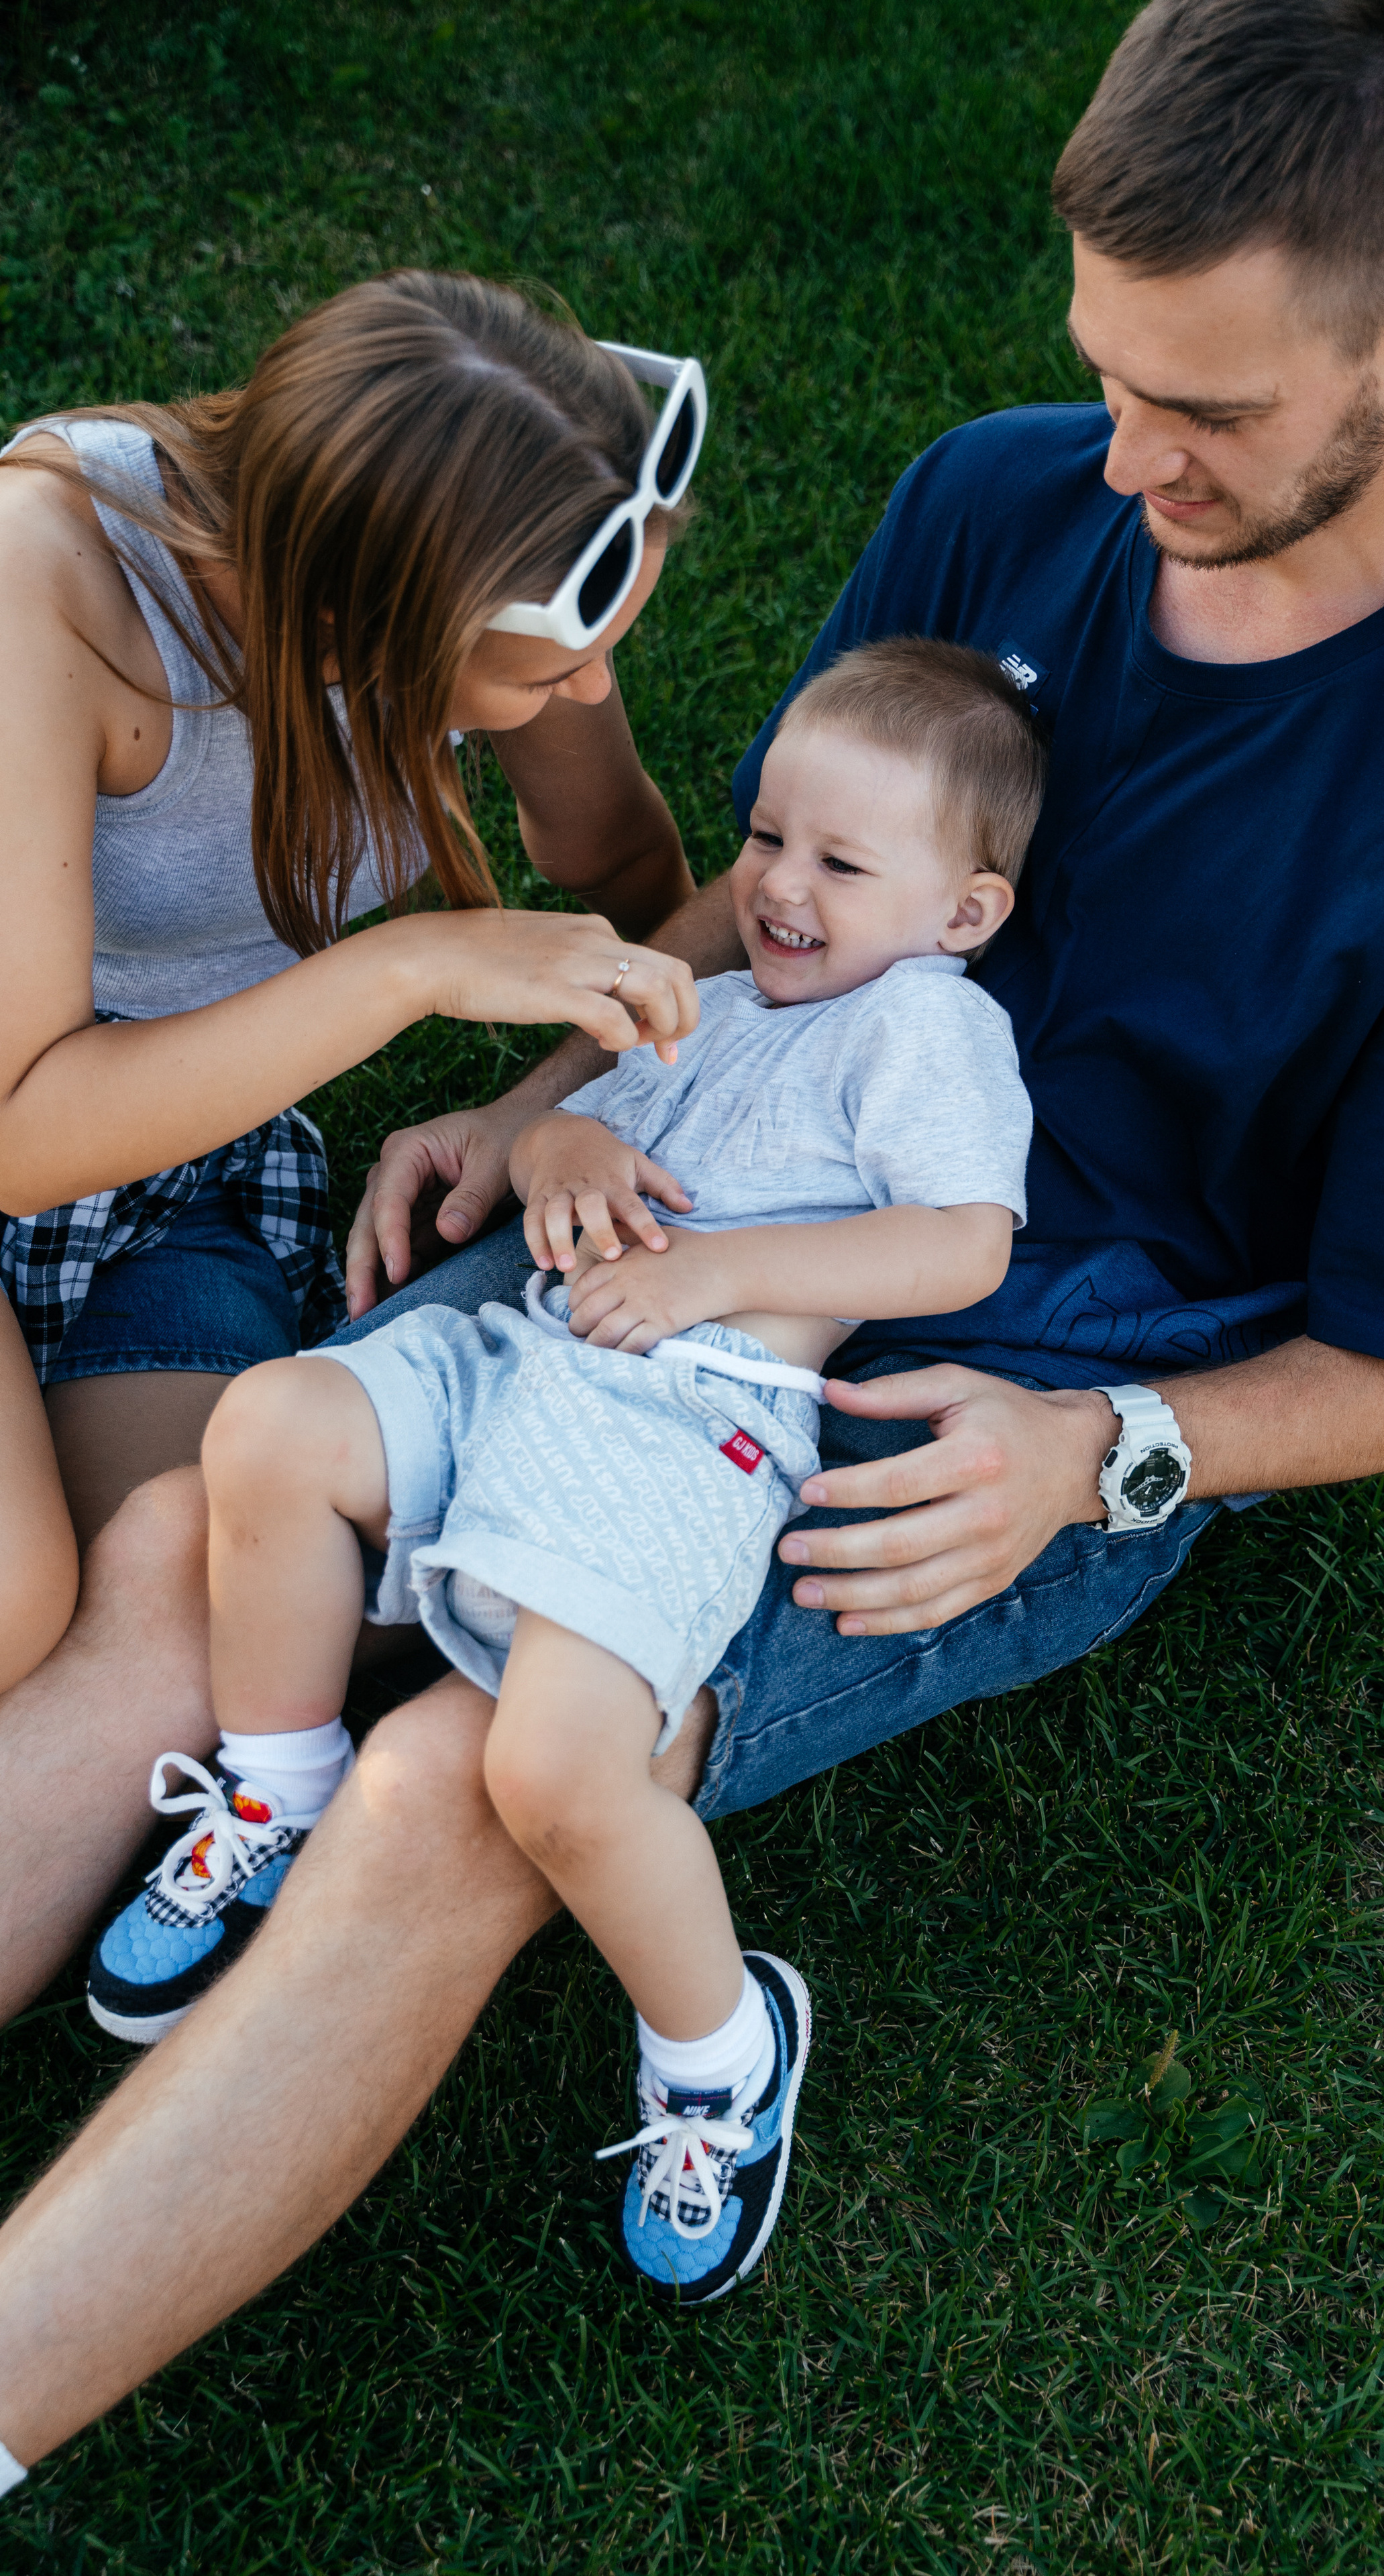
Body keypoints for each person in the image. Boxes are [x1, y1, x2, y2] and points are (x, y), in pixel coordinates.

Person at [0, 0, 1384, 2493]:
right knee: (192, 1533)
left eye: (1202, 414)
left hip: (1008, 1371)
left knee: (471, 1772)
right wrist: (544, 1090)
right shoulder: (1008, 496)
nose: (1126, 465)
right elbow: (782, 895)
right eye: (1108, 373)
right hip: (697, 1192)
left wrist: (1111, 1457)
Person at [87, 640, 1040, 2306]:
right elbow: (563, 1132)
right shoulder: (724, 996)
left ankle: (720, 2051)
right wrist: (565, 1139)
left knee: (549, 1774)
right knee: (274, 1429)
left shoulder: (926, 1032)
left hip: (694, 1423)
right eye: (761, 839)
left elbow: (964, 1244)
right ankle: (276, 1775)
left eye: (839, 861)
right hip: (529, 1356)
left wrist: (713, 1278)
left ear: (961, 913)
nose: (779, 888)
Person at [0, 268, 706, 1675]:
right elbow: (25, 1135)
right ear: (360, 618)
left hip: (181, 1164)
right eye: (542, 675)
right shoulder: (40, 585)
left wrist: (700, 1027)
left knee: (230, 1611)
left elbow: (613, 852)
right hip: (34, 1118)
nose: (582, 694)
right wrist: (417, 966)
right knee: (13, 1609)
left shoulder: (471, 556)